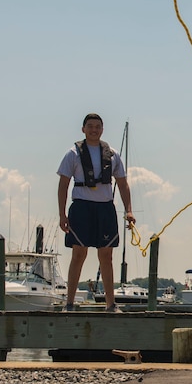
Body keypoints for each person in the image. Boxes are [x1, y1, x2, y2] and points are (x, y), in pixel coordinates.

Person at [57, 113, 136, 312]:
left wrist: (129, 211)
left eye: (98, 126)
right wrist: (62, 215)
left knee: (106, 256)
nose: (94, 130)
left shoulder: (113, 154)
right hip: (82, 207)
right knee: (79, 254)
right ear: (83, 129)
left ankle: (111, 304)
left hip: (105, 207)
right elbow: (63, 185)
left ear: (102, 129)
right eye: (90, 126)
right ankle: (69, 303)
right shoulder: (72, 153)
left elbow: (123, 184)